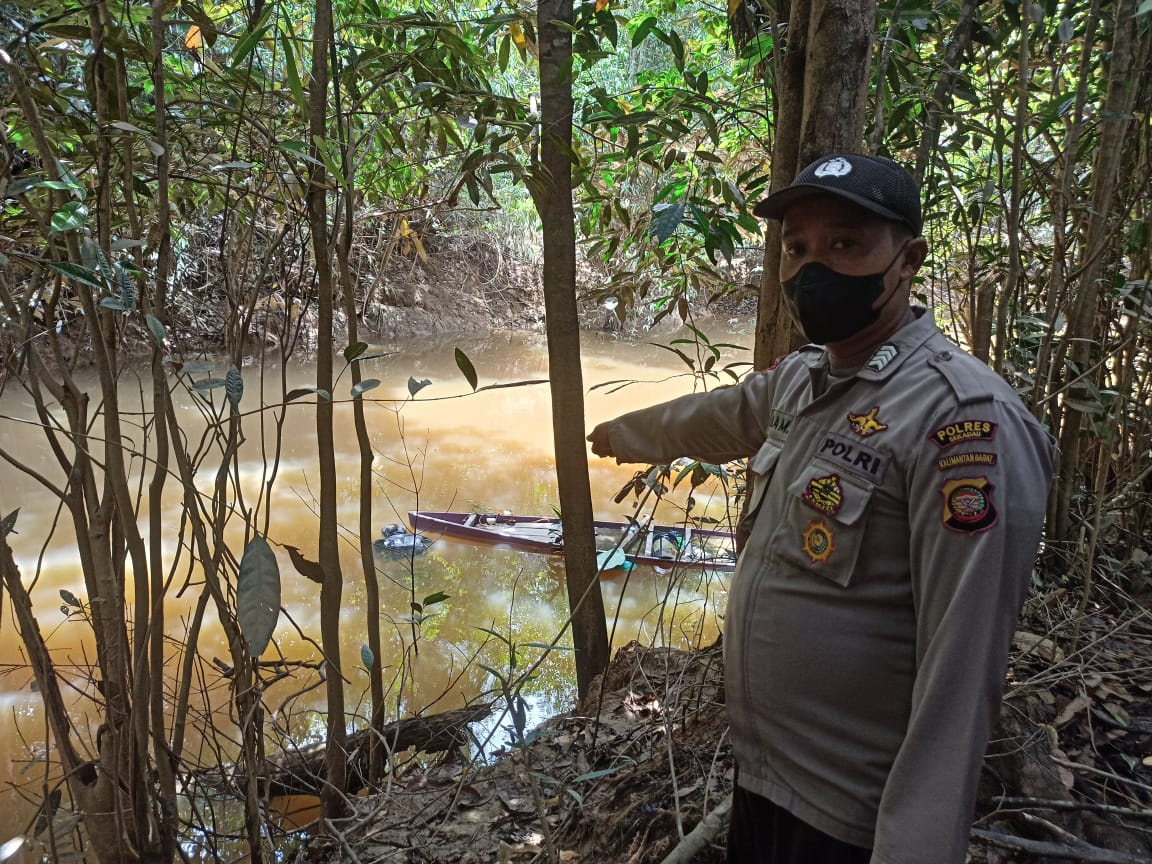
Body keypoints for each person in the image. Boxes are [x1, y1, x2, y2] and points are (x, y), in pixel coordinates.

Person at [587, 153, 1056, 864]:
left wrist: (912, 847)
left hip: (850, 817)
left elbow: (962, 675)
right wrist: (619, 435)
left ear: (908, 259)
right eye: (797, 248)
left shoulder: (962, 419)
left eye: (845, 244)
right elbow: (716, 417)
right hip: (763, 776)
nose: (813, 268)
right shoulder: (807, 380)